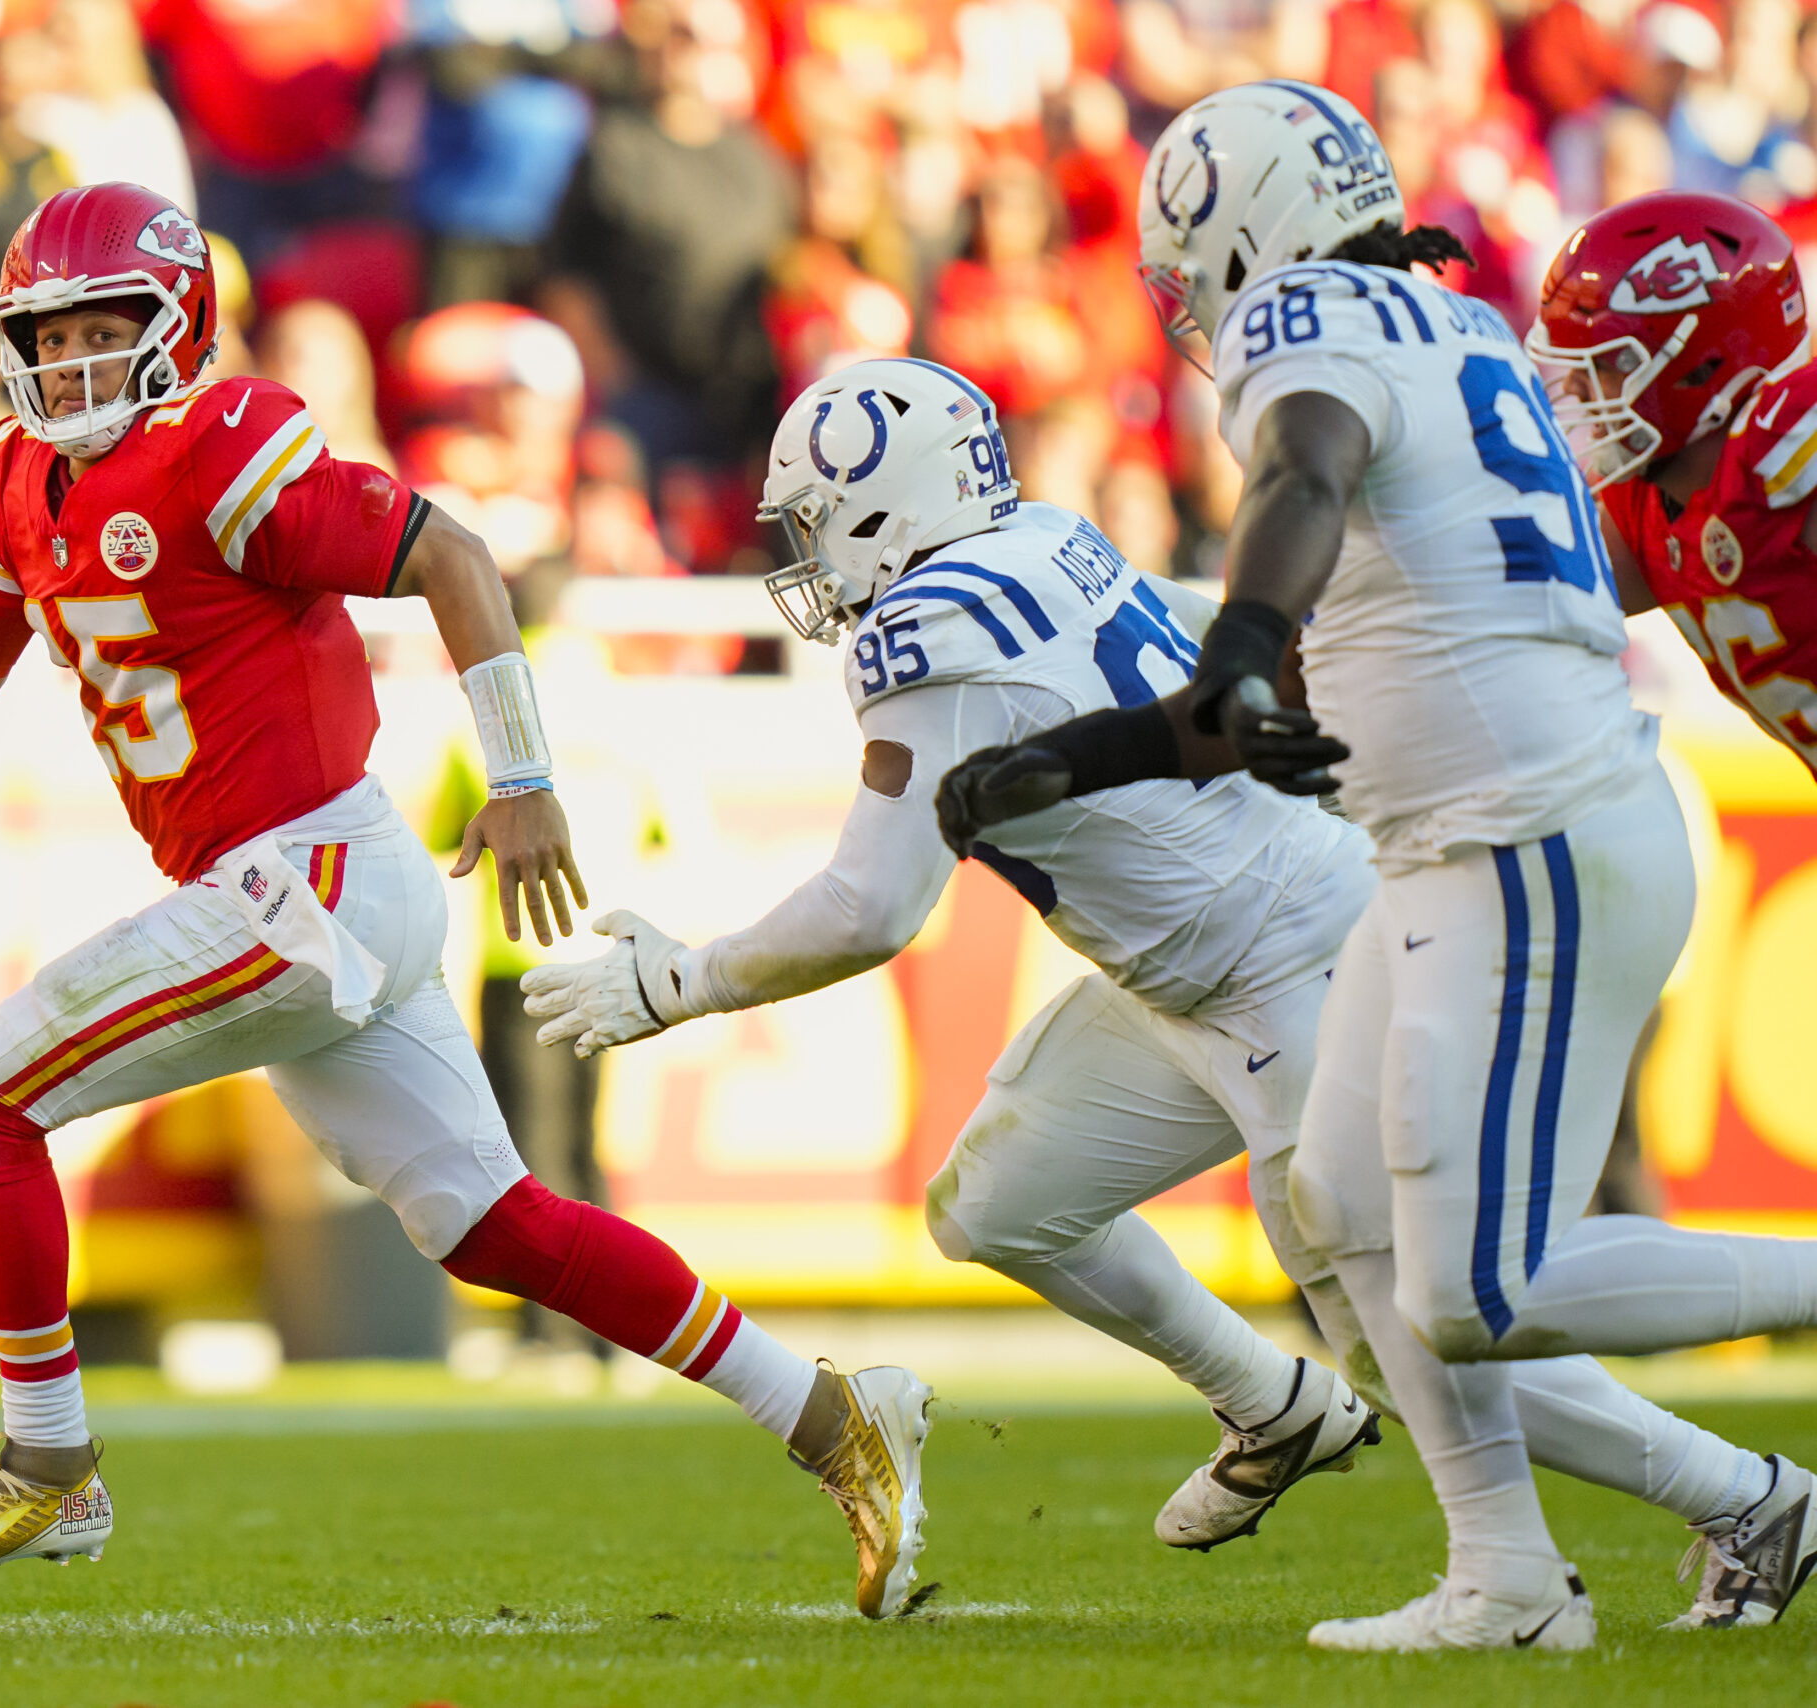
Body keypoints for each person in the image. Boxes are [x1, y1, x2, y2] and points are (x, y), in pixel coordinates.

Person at [0, 184, 931, 1616]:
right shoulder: (14, 475)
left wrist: (521, 776)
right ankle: (835, 1415)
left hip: (309, 877)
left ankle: (50, 1463)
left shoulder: (223, 446)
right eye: (52, 333)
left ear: (178, 327)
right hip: (290, 891)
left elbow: (451, 554)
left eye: (105, 328)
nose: (75, 361)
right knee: (491, 1222)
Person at [524, 355, 1798, 1597]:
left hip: (1289, 964)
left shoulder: (923, 632)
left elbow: (870, 908)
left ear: (882, 501)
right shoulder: (1047, 537)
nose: (805, 551)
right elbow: (1210, 642)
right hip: (1200, 963)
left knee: (1414, 1329)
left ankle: (1750, 1498)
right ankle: (1272, 1405)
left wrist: (683, 982)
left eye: (815, 517)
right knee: (998, 1202)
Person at [937, 80, 1817, 1647]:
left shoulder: (1315, 331)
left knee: (1475, 1291)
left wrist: (1240, 639)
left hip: (1526, 837)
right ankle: (1507, 1580)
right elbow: (1286, 704)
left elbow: (1301, 477)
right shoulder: (1454, 327)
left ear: (1249, 233)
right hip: (1459, 848)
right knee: (1342, 1204)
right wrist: (1071, 762)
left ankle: (1629, 1523)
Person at [1528, 190, 1817, 785]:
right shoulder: (1644, 508)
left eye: (1603, 365)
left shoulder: (1788, 449)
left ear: (1701, 366)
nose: (1577, 391)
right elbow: (1525, 593)